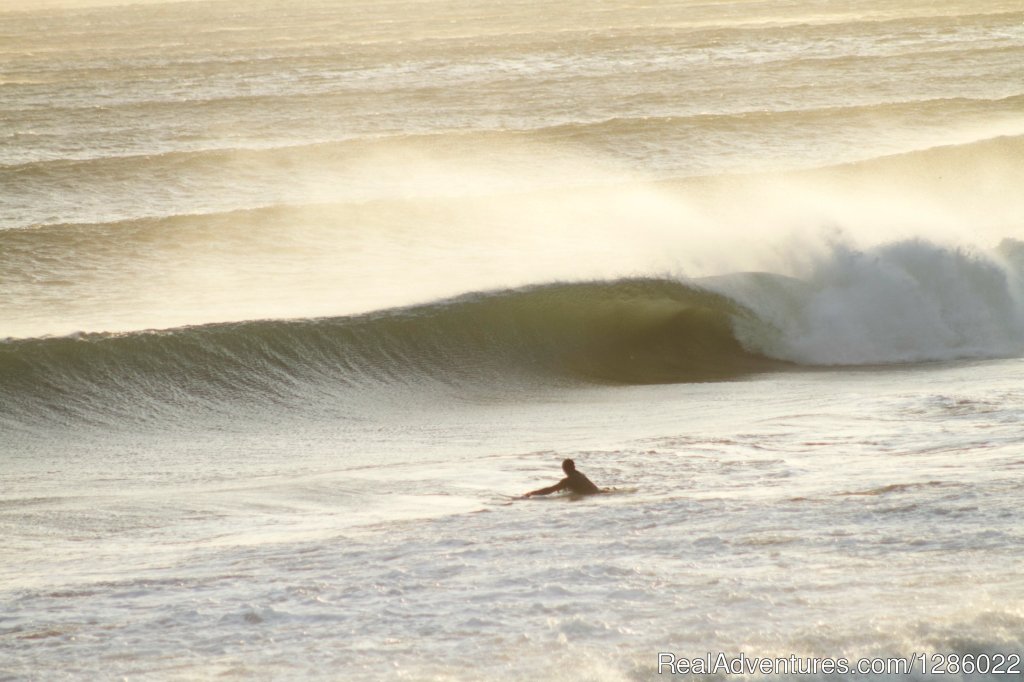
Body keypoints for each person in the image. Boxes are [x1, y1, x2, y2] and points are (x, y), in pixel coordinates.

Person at [523, 458, 602, 497]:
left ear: (564, 469)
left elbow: (550, 490)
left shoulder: (568, 480)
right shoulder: (580, 475)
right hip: (597, 493)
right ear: (574, 467)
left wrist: (531, 493)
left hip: (592, 495)